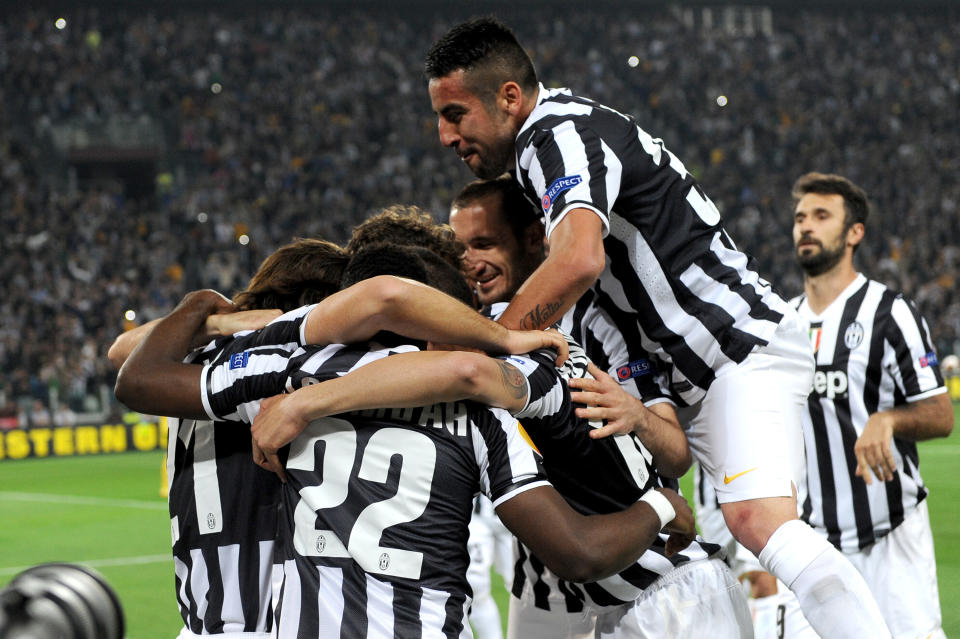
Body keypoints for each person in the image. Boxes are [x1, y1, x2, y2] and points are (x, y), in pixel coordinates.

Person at [425, 18, 890, 637]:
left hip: (731, 347)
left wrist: (496, 343)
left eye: (456, 113)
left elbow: (578, 258)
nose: (445, 134)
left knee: (761, 523)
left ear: (509, 97)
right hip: (696, 370)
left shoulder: (553, 134)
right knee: (746, 530)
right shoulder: (561, 135)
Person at [116, 260, 696, 638]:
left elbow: (128, 364)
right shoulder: (500, 396)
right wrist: (666, 507)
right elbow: (578, 548)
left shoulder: (279, 373)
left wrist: (212, 315)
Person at [449, 175, 750, 638]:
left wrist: (637, 415)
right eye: (460, 250)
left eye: (484, 244)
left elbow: (675, 454)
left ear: (533, 239)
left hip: (645, 574)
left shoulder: (601, 321)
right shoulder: (470, 332)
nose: (471, 263)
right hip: (543, 585)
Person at [108, 237, 349, 639]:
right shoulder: (287, 364)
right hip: (271, 619)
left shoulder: (185, 359)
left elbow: (120, 352)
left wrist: (214, 320)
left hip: (200, 622)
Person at [790, 172, 954, 638]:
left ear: (853, 233)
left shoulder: (891, 312)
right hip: (815, 542)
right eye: (801, 217)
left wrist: (889, 419)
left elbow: (941, 414)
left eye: (822, 216)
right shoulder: (783, 325)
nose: (806, 226)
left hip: (891, 532)